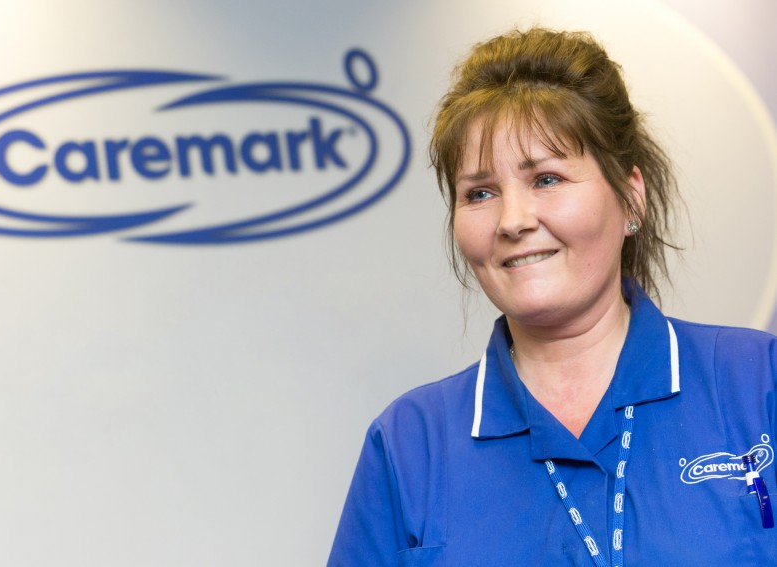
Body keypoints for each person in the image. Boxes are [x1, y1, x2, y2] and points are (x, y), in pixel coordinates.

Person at [327, 27, 777, 566]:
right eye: (481, 193)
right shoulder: (409, 445)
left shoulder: (756, 383)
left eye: (546, 179)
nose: (513, 221)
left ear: (631, 196)